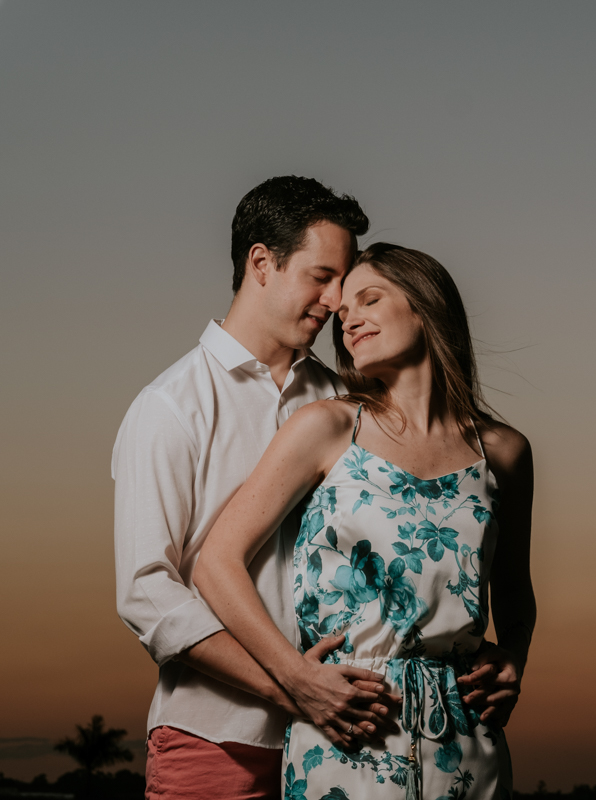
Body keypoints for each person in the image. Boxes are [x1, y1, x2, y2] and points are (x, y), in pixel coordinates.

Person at [195, 243, 537, 800]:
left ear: (426, 307)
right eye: (342, 311)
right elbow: (216, 562)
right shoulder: (328, 428)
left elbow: (516, 594)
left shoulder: (503, 450)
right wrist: (295, 676)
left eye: (368, 300)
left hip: (470, 740)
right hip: (348, 725)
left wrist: (514, 658)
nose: (347, 317)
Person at [114, 176, 400, 800]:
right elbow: (146, 593)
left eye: (344, 284)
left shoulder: (346, 403)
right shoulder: (169, 406)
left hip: (346, 741)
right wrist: (289, 683)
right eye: (321, 276)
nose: (335, 301)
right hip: (213, 739)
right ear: (261, 263)